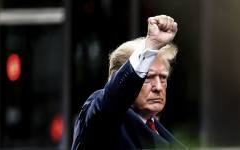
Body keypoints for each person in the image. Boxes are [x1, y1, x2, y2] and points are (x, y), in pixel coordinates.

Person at [71, 15, 186, 149]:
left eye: (163, 78)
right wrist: (151, 46)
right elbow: (111, 101)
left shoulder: (164, 136)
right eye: (148, 78)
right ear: (118, 78)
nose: (158, 87)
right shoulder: (103, 117)